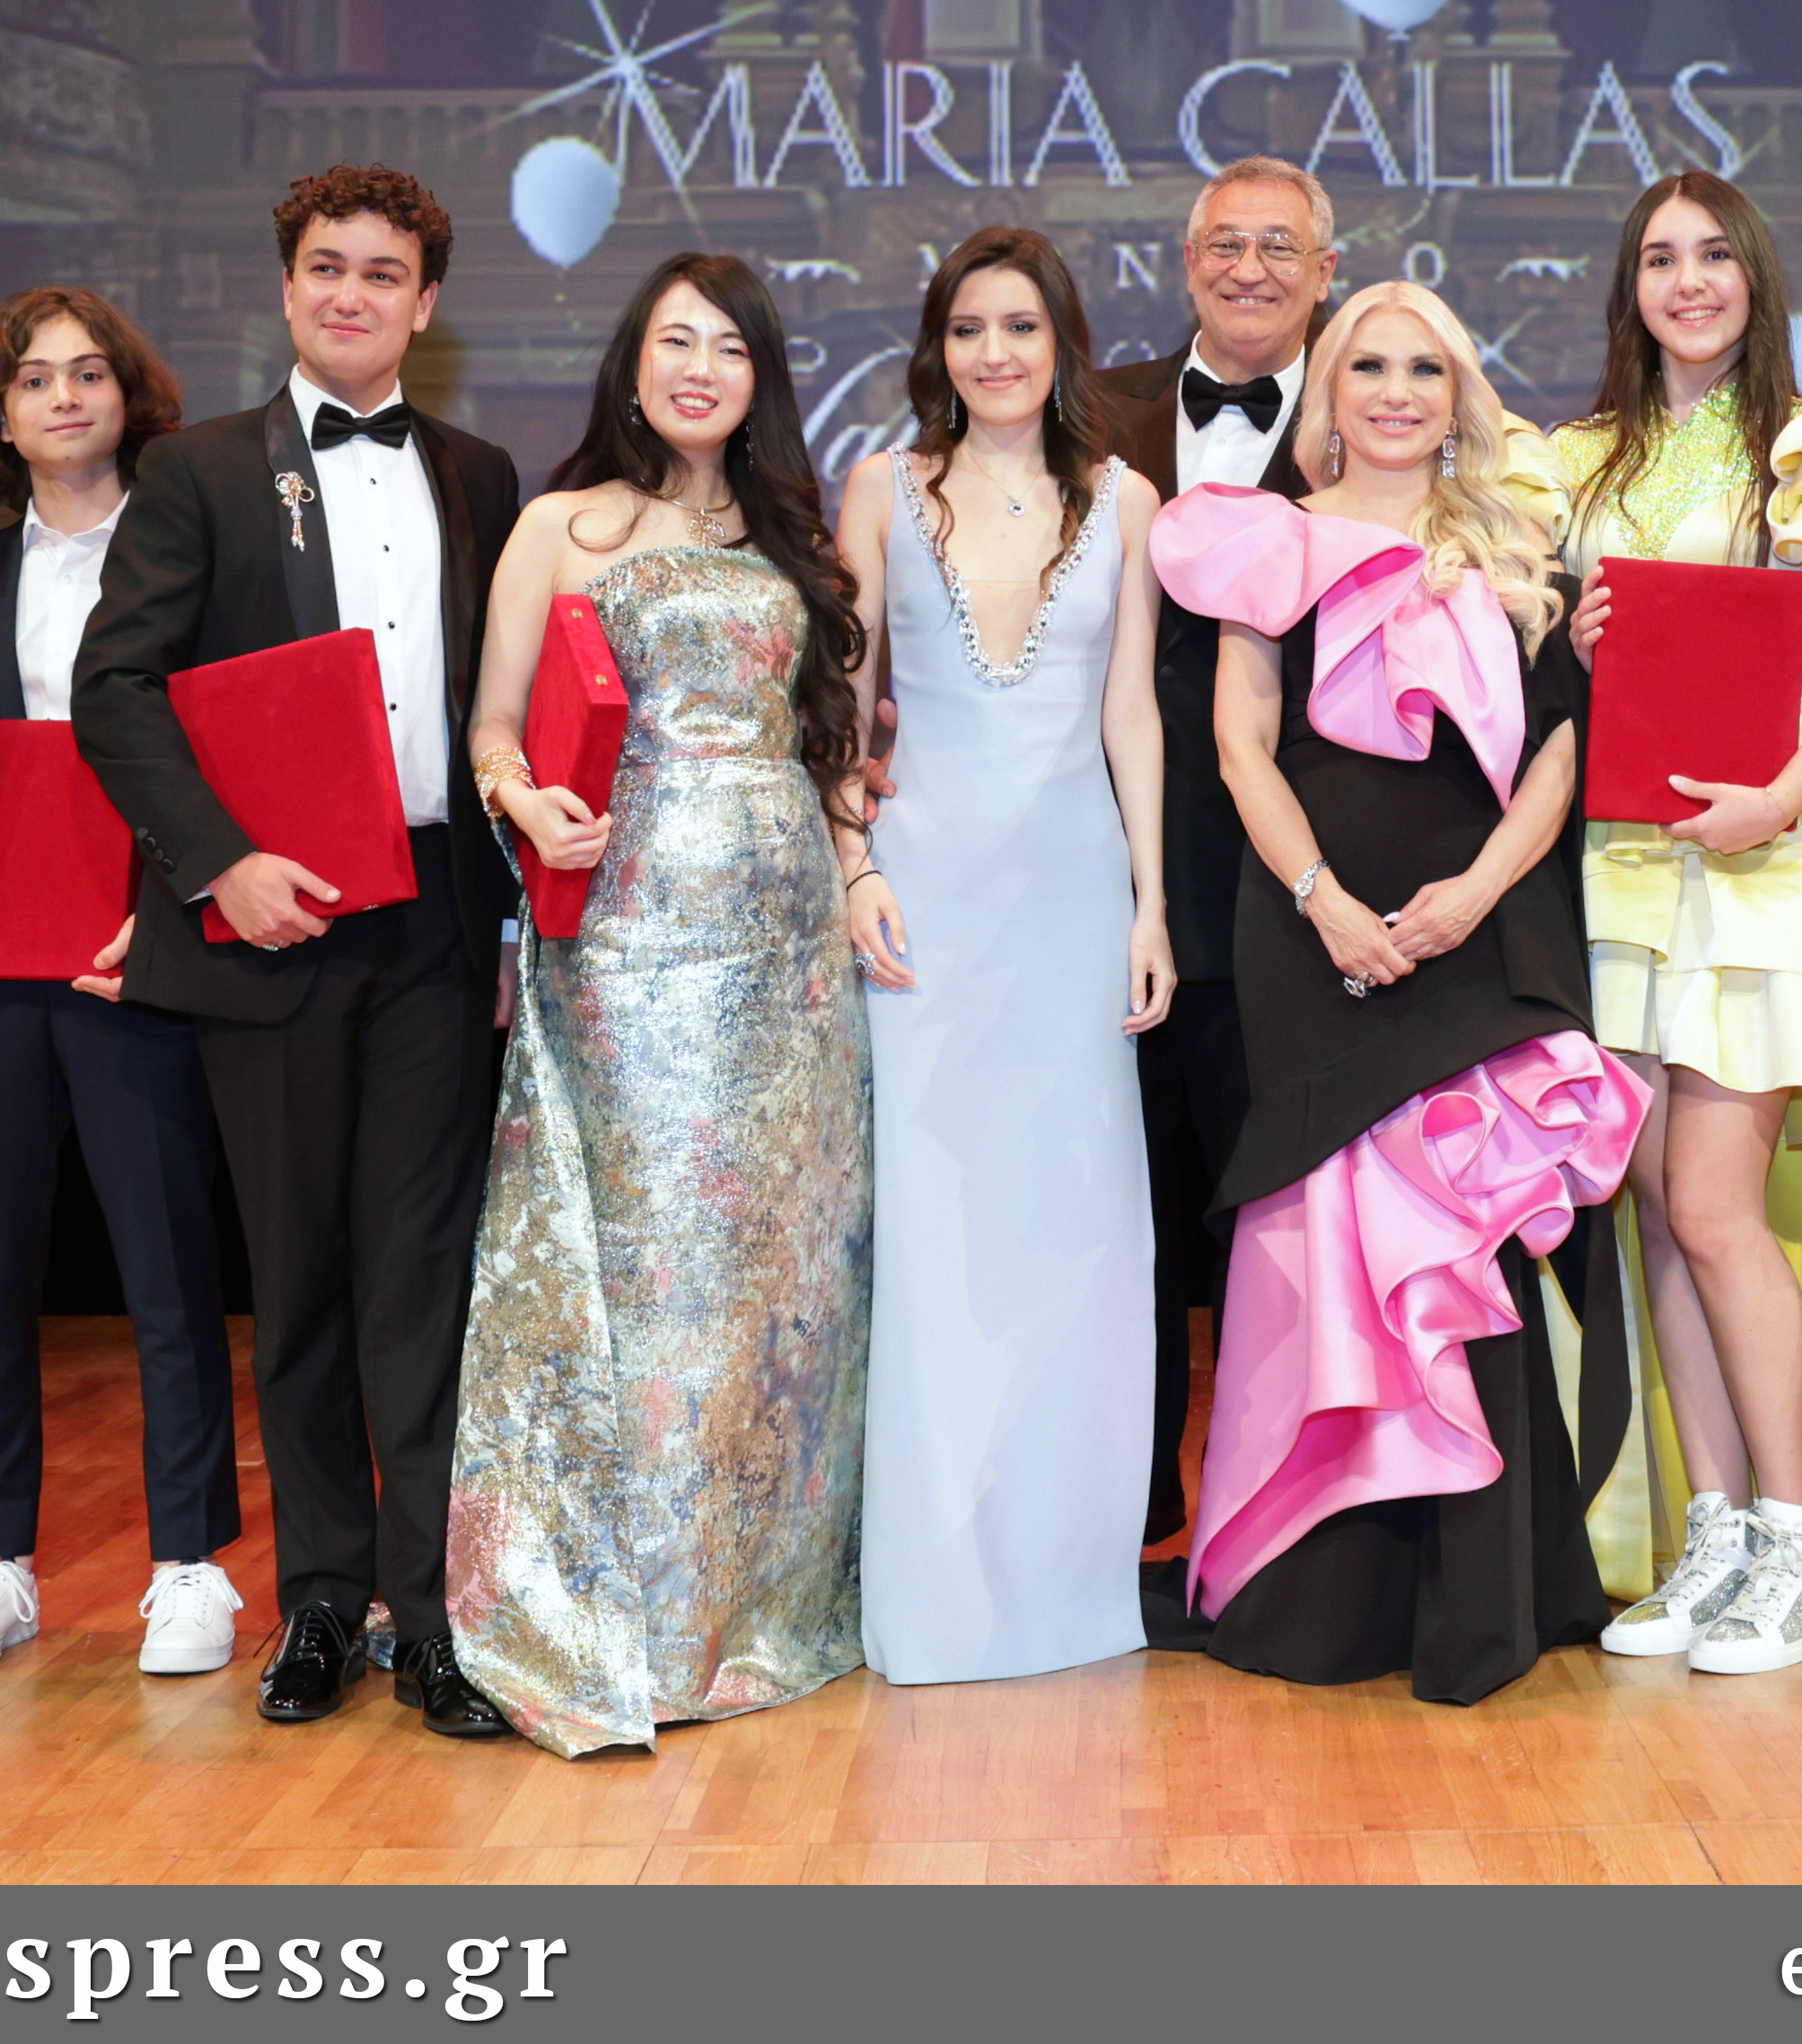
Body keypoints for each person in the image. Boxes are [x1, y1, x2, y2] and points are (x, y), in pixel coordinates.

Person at [69, 169, 522, 1741]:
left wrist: (514, 917)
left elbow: (502, 709)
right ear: (285, 287)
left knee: (424, 1276)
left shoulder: (480, 474)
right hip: (271, 927)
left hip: (437, 922)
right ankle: (323, 1601)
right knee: (305, 1275)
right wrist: (222, 865)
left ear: (426, 303)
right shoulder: (198, 469)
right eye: (327, 268)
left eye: (383, 274)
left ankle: (434, 1614)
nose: (351, 295)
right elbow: (116, 688)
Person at [1148, 280, 1643, 1706]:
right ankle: (1327, 1598)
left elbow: (1558, 750)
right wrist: (1324, 903)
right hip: (1313, 936)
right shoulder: (1269, 541)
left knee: (1460, 1249)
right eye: (1369, 366)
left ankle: (1484, 1597)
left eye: (1425, 369)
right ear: (1330, 390)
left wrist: (1474, 894)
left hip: (1478, 933)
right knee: (1333, 1249)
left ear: (1458, 396)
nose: (1396, 393)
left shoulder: (1520, 549)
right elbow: (1241, 749)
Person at [1505, 173, 1802, 1675]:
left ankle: (1799, 1552)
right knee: (1652, 1208)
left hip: (1763, 860)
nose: (1687, 281)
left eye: (1712, 255)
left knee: (1711, 1205)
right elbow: (1554, 670)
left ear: (1754, 274)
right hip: (1623, 862)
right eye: (1659, 258)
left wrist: (1783, 796)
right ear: (1628, 286)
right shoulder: (1578, 462)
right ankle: (1714, 1541)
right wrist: (1574, 635)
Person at [459, 254, 873, 1754]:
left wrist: (856, 862)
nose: (700, 368)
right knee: (644, 1267)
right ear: (632, 365)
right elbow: (494, 728)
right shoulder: (561, 528)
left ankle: (763, 1606)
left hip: (788, 948)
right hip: (626, 935)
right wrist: (525, 803)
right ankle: (623, 1617)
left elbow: (832, 749)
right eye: (674, 342)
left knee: (780, 1279)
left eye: (730, 348)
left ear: (762, 378)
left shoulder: (795, 540)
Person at [0, 287, 245, 1686]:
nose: (65, 398)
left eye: (90, 374)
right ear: (1, 414)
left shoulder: (194, 561)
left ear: (129, 400)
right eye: (35, 380)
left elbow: (220, 762)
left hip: (138, 960)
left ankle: (190, 1563)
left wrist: (167, 921)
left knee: (169, 1276)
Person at [833, 226, 1173, 1687]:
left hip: (1074, 897)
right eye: (968, 329)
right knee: (935, 1231)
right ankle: (936, 1597)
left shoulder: (1128, 499)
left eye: (1020, 327)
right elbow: (846, 699)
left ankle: (1066, 1586)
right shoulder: (881, 488)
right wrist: (853, 864)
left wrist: (1152, 905)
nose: (994, 354)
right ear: (939, 349)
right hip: (922, 902)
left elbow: (1131, 716)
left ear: (1061, 344)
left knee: (1077, 1232)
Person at [1089, 154, 1334, 1625]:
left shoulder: (1377, 408)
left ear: (1326, 270)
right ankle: (1125, 1532)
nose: (1250, 269)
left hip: (1304, 886)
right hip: (1109, 880)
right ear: (1186, 263)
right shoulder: (1093, 415)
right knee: (1115, 1222)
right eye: (1225, 245)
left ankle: (1277, 1530)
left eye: (1280, 247)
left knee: (1283, 1229)